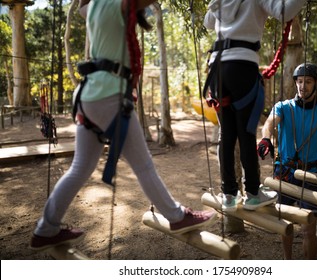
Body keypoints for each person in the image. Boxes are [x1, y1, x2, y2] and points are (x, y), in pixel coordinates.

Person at [30, 0, 217, 251]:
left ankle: (46, 228)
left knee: (80, 168)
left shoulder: (93, 8)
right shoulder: (111, 5)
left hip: (90, 96)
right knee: (143, 164)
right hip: (108, 96)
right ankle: (176, 217)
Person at [203, 0, 307, 212]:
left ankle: (228, 195)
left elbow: (208, 22)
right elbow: (283, 11)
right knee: (246, 132)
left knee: (227, 133)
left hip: (217, 68)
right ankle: (252, 193)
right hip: (242, 65)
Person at [259, 62, 317, 259]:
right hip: (284, 173)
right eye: (300, 81)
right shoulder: (283, 107)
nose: (303, 86)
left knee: (309, 230)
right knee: (285, 225)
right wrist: (266, 137)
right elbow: (269, 124)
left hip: (312, 175)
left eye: (308, 81)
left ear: (316, 84)